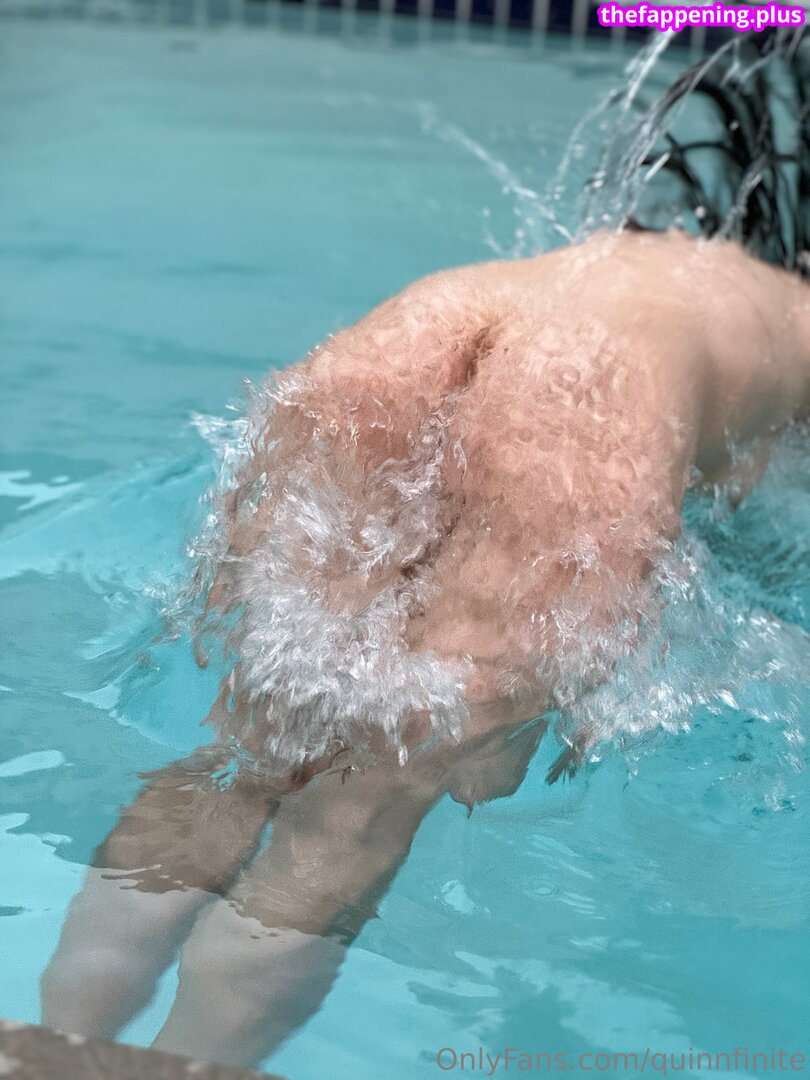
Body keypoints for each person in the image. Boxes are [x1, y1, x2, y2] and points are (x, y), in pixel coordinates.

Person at [41, 29, 810, 1069]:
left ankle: (53, 1040)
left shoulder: (626, 258)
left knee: (238, 752)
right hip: (597, 396)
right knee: (360, 810)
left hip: (407, 332)